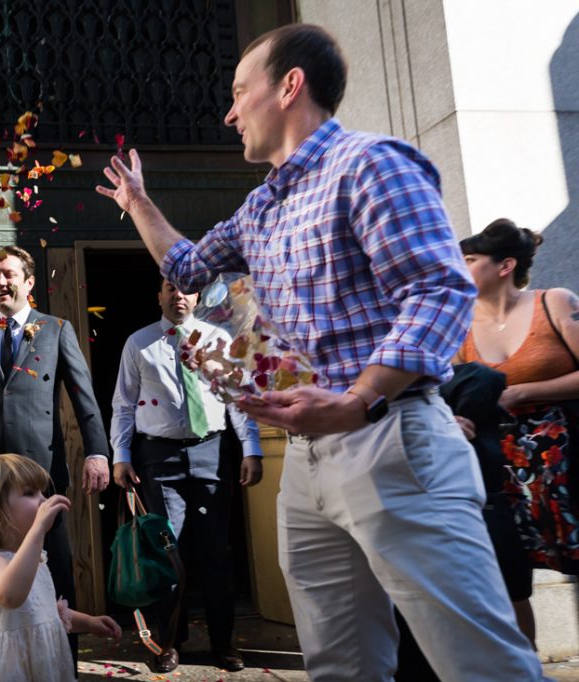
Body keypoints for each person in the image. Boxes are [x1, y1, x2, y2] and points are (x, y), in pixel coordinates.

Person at [96, 22, 546, 681]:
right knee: (339, 665)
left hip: (391, 439)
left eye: (238, 91)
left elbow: (438, 291)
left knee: (479, 665)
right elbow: (190, 268)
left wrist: (358, 400)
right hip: (308, 466)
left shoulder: (373, 164)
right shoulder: (260, 208)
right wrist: (138, 203)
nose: (227, 111)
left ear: (289, 86)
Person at [0, 245, 111, 667]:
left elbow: (84, 398)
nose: (1, 281)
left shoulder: (56, 330)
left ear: (29, 281)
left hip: (41, 475)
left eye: (9, 274)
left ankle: (62, 663)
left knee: (53, 567)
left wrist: (97, 452)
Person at [110, 278, 263, 672]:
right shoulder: (138, 343)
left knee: (216, 554)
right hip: (159, 459)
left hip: (212, 453)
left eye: (186, 289)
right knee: (168, 553)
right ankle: (169, 642)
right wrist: (121, 456)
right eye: (169, 288)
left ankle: (224, 642)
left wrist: (252, 450)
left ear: (196, 297)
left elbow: (239, 400)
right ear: (158, 295)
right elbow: (124, 405)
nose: (178, 295)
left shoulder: (220, 339)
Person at [456, 217, 579, 645]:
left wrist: (523, 389)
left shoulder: (555, 303)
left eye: (469, 260)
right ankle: (523, 670)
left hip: (564, 462)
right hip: (498, 470)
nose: (459, 267)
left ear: (505, 265)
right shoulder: (460, 324)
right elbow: (451, 389)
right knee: (510, 580)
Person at [0, 453, 122, 681]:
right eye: (30, 493)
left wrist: (89, 622)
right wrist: (38, 530)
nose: (44, 500)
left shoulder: (37, 558)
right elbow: (10, 596)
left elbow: (45, 612)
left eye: (43, 492)